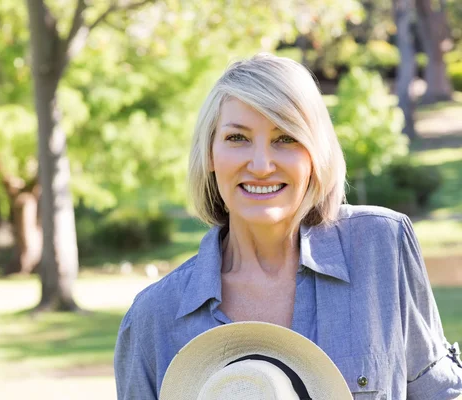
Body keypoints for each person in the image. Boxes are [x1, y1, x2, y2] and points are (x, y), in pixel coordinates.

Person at [114, 53, 462, 399]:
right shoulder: (154, 319)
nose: (262, 165)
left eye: (286, 138)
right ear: (209, 155)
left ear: (315, 154)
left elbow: (440, 394)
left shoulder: (381, 247)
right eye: (238, 138)